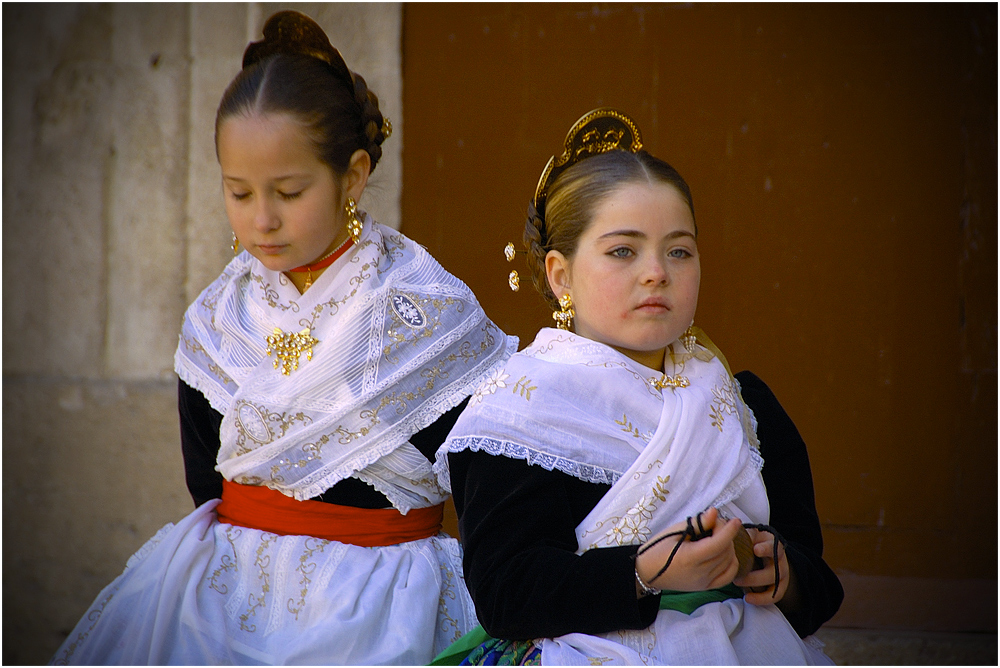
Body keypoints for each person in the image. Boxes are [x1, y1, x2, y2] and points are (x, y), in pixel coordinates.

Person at [51, 11, 515, 665]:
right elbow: (205, 477)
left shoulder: (425, 313)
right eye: (238, 192)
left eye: (289, 191)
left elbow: (485, 486)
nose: (261, 219)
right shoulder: (217, 320)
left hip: (386, 602)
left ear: (352, 176)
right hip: (222, 596)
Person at [433, 109, 843, 665]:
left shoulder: (744, 407)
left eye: (679, 250)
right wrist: (643, 573)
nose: (656, 272)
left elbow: (818, 586)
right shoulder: (518, 413)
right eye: (623, 251)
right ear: (560, 275)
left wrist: (774, 568)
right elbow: (507, 594)